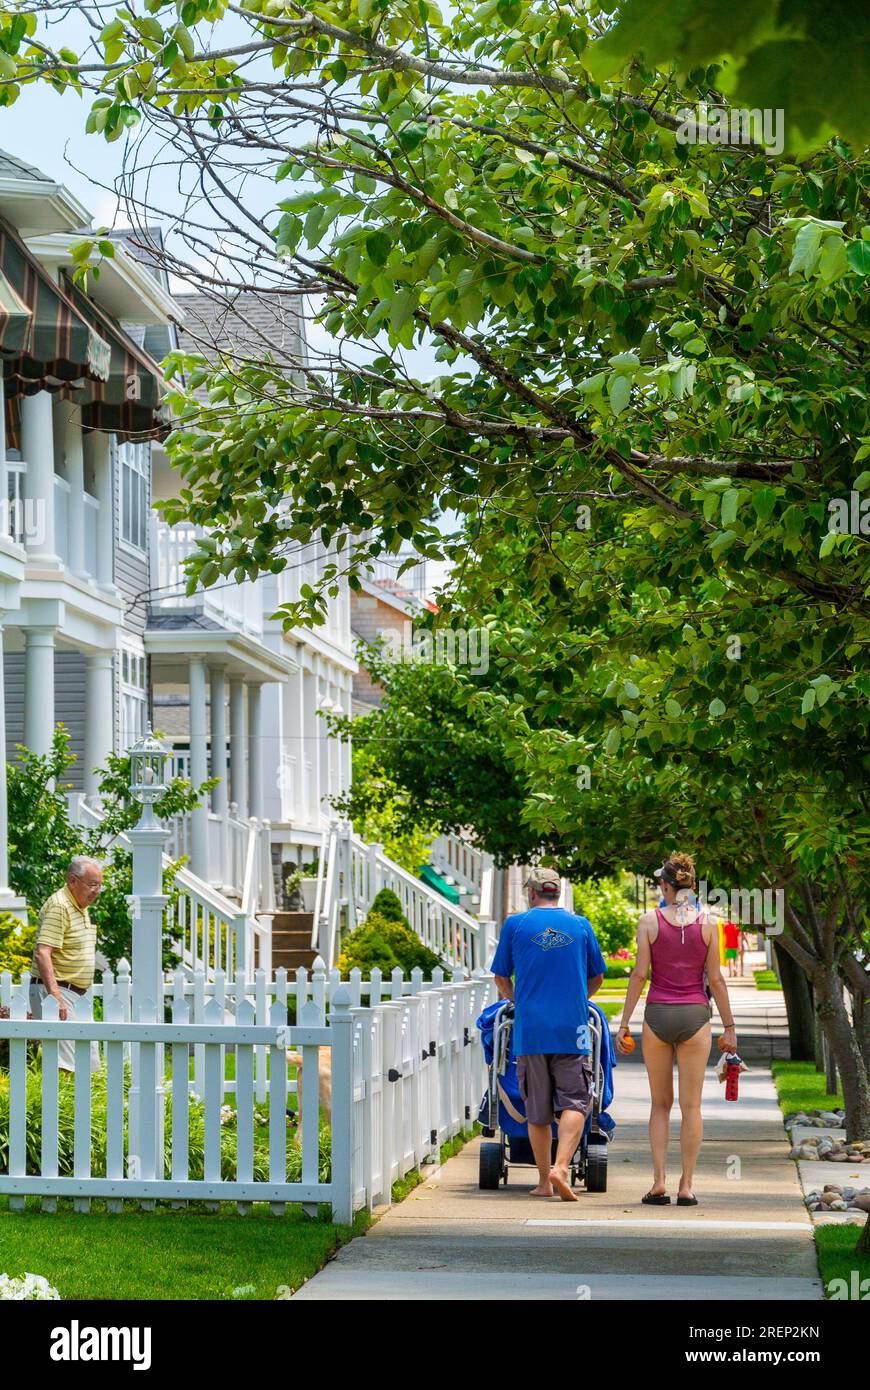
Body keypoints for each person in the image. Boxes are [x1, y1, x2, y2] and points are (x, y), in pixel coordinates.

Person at [615, 852, 736, 1206]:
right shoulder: (709, 924)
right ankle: (686, 1186)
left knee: (659, 1105)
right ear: (692, 886)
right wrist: (729, 1027)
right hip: (695, 1015)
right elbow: (715, 979)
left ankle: (657, 1183)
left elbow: (640, 975)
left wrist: (624, 1022)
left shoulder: (648, 921)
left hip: (657, 1016)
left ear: (665, 886)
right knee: (692, 1106)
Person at [490, 866, 606, 1202]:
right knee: (575, 1100)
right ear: (559, 892)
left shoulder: (516, 925)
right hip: (573, 1030)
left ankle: (543, 1181)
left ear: (531, 892)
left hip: (531, 1031)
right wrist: (575, 999)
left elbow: (501, 978)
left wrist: (521, 1000)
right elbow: (597, 977)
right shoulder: (581, 925)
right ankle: (561, 1167)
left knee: (537, 1110)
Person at [29, 857, 104, 1074]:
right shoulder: (60, 906)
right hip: (58, 991)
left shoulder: (79, 905)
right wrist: (56, 997)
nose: (97, 890)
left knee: (87, 1065)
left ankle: (82, 1108)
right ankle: (60, 1108)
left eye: (100, 885)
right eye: (92, 884)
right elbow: (43, 953)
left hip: (74, 994)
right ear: (73, 881)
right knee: (66, 1067)